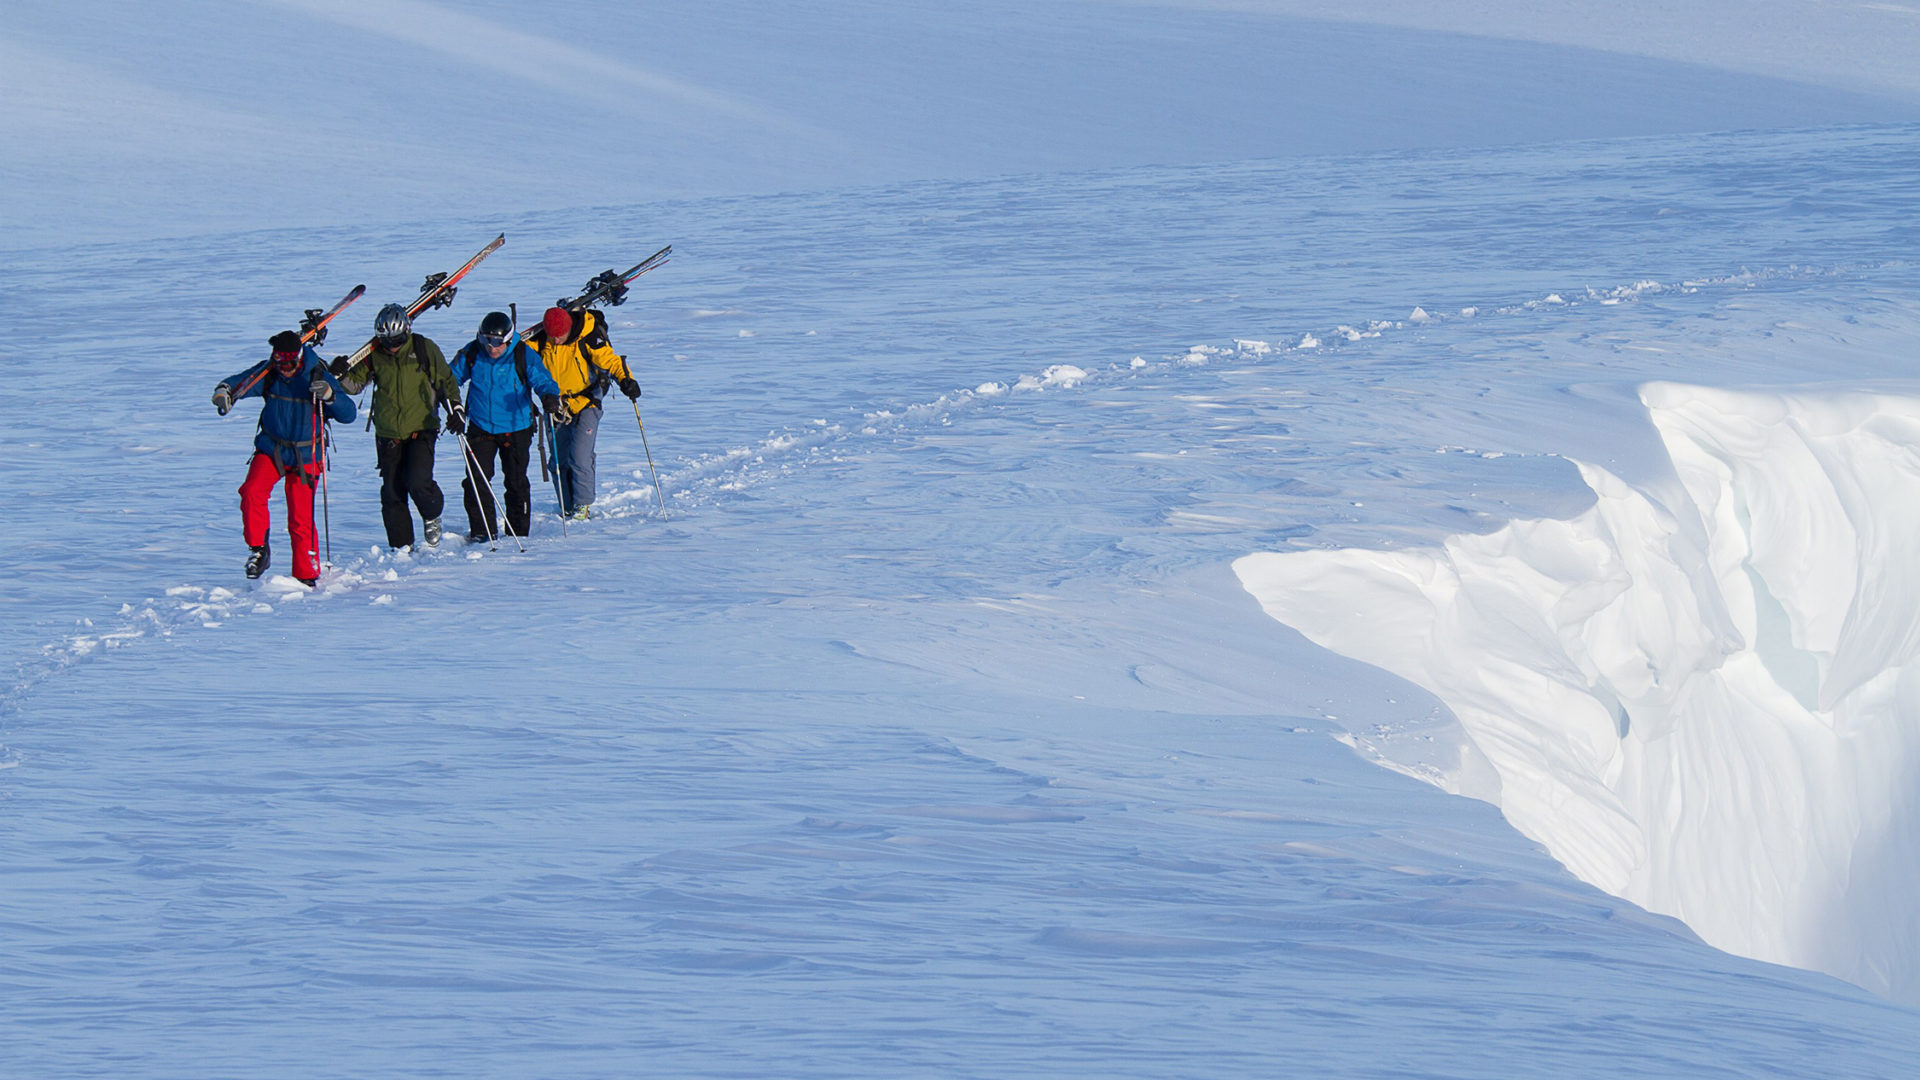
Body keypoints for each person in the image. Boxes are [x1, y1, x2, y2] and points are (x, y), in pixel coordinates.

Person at [212, 330, 355, 586]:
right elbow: (241, 382)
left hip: (306, 455)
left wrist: (330, 397)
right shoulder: (270, 373)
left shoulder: (318, 376)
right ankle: (259, 550)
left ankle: (306, 575)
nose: (284, 370)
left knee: (300, 518)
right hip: (272, 449)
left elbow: (349, 415)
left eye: (289, 365)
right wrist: (225, 391)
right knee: (251, 492)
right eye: (280, 364)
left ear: (298, 359)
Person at [329, 303, 464, 550]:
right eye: (387, 341)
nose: (392, 346)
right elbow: (355, 385)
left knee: (418, 481)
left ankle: (432, 514)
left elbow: (446, 380)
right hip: (388, 432)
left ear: (407, 332)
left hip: (422, 426)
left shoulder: (424, 348)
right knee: (392, 493)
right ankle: (402, 548)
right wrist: (338, 374)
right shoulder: (374, 355)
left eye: (397, 340)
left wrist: (456, 409)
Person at [447, 310, 563, 541]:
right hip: (480, 427)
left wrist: (549, 396)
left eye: (497, 342)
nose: (491, 347)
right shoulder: (472, 352)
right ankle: (482, 533)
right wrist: (454, 407)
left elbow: (543, 380)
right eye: (486, 340)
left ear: (508, 339)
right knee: (476, 481)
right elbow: (449, 380)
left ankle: (518, 532)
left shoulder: (522, 354)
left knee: (516, 482)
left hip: (516, 426)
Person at [535, 305, 640, 520]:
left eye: (560, 335)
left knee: (580, 456)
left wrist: (626, 380)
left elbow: (611, 361)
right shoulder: (539, 341)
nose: (556, 340)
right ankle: (566, 504)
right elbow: (520, 359)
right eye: (552, 336)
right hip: (556, 406)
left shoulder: (587, 336)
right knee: (558, 460)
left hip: (587, 402)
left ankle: (582, 505)